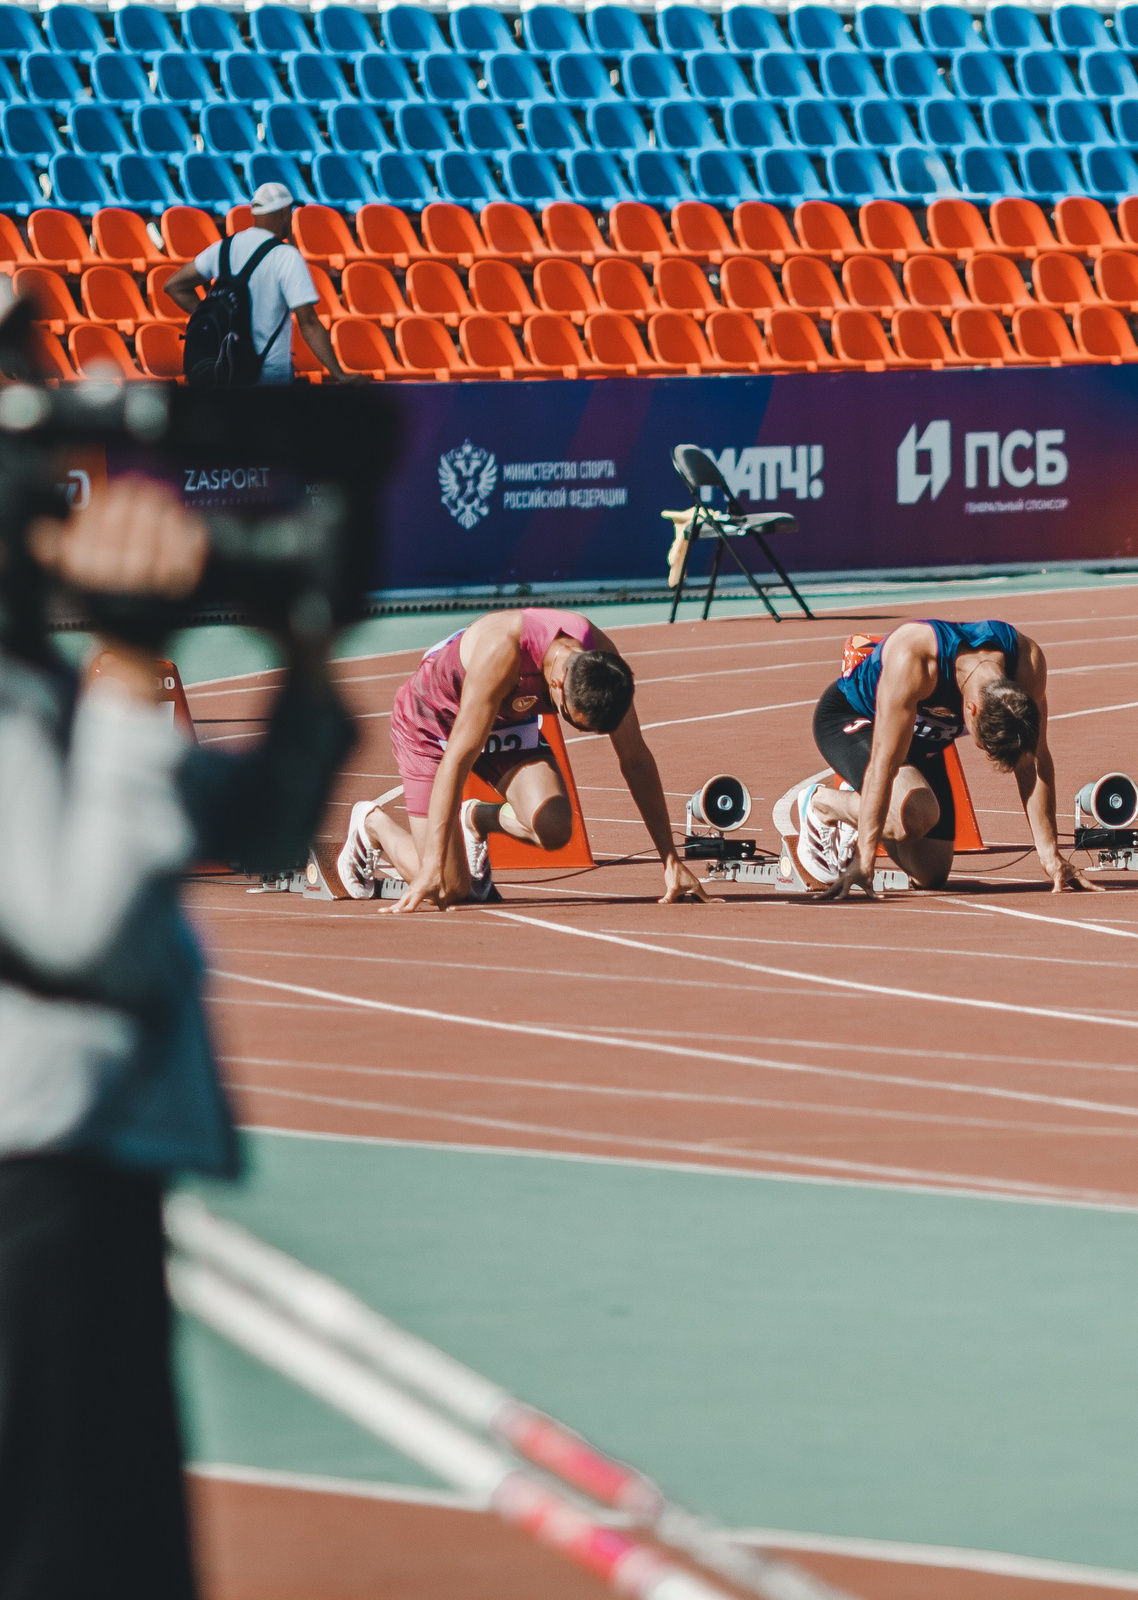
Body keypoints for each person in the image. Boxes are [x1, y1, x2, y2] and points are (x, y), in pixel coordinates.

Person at [1, 479, 352, 1600]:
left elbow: (260, 824)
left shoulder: (37, 687)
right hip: (27, 1200)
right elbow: (74, 921)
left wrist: (304, 651)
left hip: (91, 1185)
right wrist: (128, 665)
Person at [339, 608, 707, 910]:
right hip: (433, 722)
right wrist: (433, 864)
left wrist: (670, 860)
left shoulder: (602, 664)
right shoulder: (503, 651)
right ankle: (372, 825)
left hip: (505, 718)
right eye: (568, 717)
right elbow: (457, 760)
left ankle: (475, 820)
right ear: (559, 685)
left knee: (554, 828)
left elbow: (635, 759)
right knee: (445, 888)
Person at [795, 620, 1094, 897]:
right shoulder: (915, 658)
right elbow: (883, 765)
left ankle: (866, 809)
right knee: (910, 815)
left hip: (922, 741)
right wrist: (865, 857)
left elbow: (1034, 760)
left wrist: (1050, 854)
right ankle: (823, 805)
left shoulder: (1027, 663)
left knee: (931, 874)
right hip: (856, 719)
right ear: (973, 709)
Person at [162, 181, 356, 386]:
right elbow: (309, 323)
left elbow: (174, 285)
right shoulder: (285, 256)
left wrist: (217, 318)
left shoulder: (224, 248)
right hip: (269, 375)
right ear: (284, 213)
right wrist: (339, 374)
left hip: (229, 371)